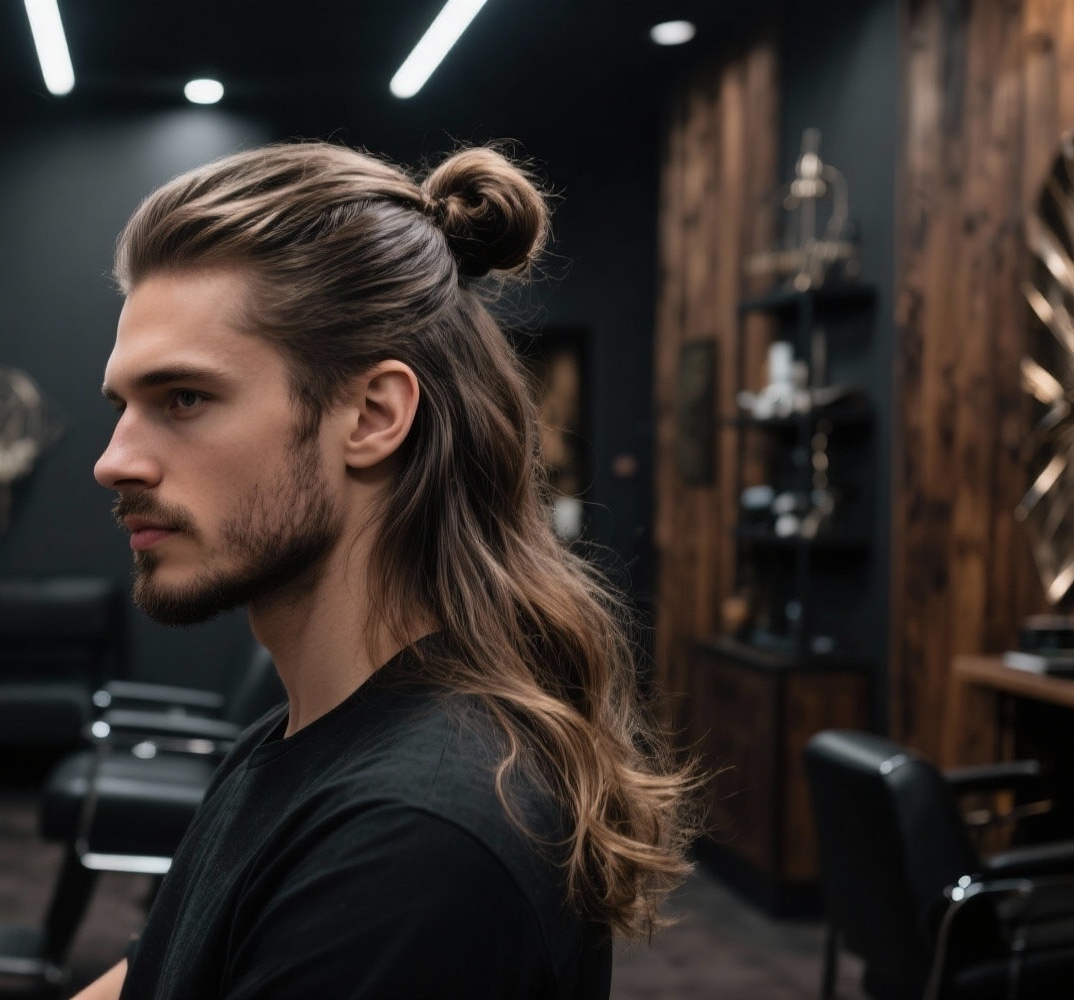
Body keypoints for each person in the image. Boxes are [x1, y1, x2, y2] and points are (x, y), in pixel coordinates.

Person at [77, 142, 694, 1000]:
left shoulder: (411, 839)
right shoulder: (291, 744)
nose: (114, 462)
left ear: (371, 416)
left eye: (184, 398)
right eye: (124, 406)